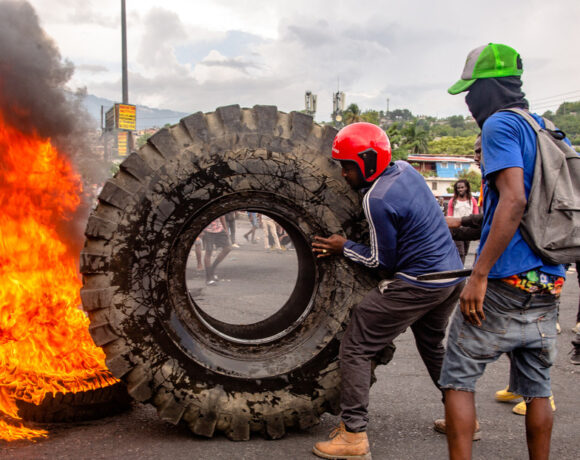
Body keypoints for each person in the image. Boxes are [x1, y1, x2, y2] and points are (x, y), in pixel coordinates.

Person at [440, 43, 568, 460]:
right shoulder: (547, 128)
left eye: (471, 91)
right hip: (549, 279)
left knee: (457, 377)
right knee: (537, 391)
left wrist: (478, 275)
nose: (468, 101)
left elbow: (512, 201)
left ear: (491, 87)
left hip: (504, 280)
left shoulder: (500, 126)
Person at [311, 122, 465, 460]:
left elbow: (382, 261)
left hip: (419, 282)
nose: (344, 175)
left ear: (367, 162)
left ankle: (353, 435)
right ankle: (463, 420)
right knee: (432, 346)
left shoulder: (377, 199)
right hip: (452, 277)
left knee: (356, 344)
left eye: (347, 167)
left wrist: (343, 245)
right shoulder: (406, 170)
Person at [447, 179, 478, 263]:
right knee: (460, 252)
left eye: (462, 187)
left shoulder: (472, 201)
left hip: (468, 230)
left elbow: (476, 214)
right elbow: (449, 216)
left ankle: (460, 268)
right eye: (458, 188)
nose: (460, 189)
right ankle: (460, 270)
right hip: (457, 230)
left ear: (467, 188)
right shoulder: (452, 201)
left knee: (465, 252)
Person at [202, 215, 231, 286]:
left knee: (227, 248)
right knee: (209, 252)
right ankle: (208, 278)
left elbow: (222, 215)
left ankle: (212, 269)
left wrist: (225, 228)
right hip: (207, 230)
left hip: (219, 229)